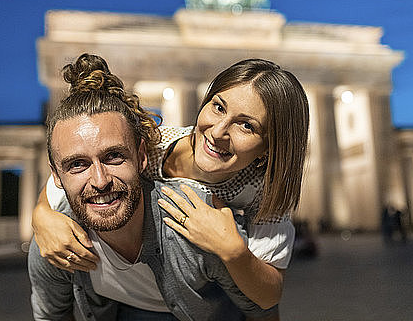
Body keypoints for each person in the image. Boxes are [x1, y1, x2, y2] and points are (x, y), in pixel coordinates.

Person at [33, 54, 310, 309]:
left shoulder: (264, 190)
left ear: (268, 149)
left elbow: (268, 295)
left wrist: (233, 251)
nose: (218, 132)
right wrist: (42, 216)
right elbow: (66, 176)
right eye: (218, 107)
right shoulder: (152, 145)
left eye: (246, 126)